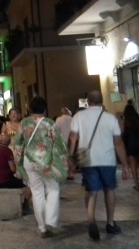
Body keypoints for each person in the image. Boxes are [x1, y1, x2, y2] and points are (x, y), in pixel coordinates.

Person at [69, 91, 130, 241]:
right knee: (109, 190)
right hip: (107, 160)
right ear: (102, 102)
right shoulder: (111, 118)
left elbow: (73, 137)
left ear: (88, 101)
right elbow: (118, 143)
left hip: (88, 160)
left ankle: (91, 221)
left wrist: (70, 156)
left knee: (91, 191)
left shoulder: (78, 116)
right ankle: (110, 223)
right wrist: (125, 165)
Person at [13, 97, 68, 238]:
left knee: (37, 192)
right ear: (44, 109)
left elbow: (17, 143)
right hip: (46, 161)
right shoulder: (50, 123)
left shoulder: (24, 123)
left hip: (29, 161)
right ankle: (50, 220)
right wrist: (63, 161)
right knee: (53, 189)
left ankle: (42, 228)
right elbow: (60, 144)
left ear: (30, 109)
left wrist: (18, 161)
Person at [0, 133, 31, 213]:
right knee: (30, 183)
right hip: (5, 181)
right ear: (9, 142)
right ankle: (25, 206)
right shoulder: (7, 151)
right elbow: (13, 169)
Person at [122, 103, 139, 190]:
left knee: (132, 164)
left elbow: (122, 133)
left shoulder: (125, 122)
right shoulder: (138, 119)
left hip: (130, 144)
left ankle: (137, 184)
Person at [55, 107, 75, 180]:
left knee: (63, 158)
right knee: (71, 157)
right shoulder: (72, 119)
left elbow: (56, 130)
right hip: (71, 140)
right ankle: (71, 173)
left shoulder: (58, 119)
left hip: (62, 141)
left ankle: (64, 172)